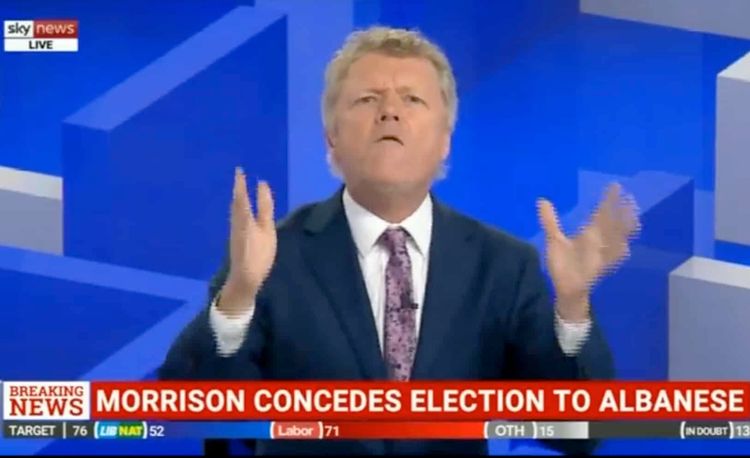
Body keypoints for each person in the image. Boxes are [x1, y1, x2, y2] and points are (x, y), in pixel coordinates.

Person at [159, 26, 640, 455]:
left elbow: (579, 433)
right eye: (368, 99)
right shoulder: (270, 258)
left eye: (412, 100)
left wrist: (572, 306)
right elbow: (192, 409)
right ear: (331, 138)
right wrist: (238, 297)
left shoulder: (501, 265)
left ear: (445, 138)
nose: (390, 112)